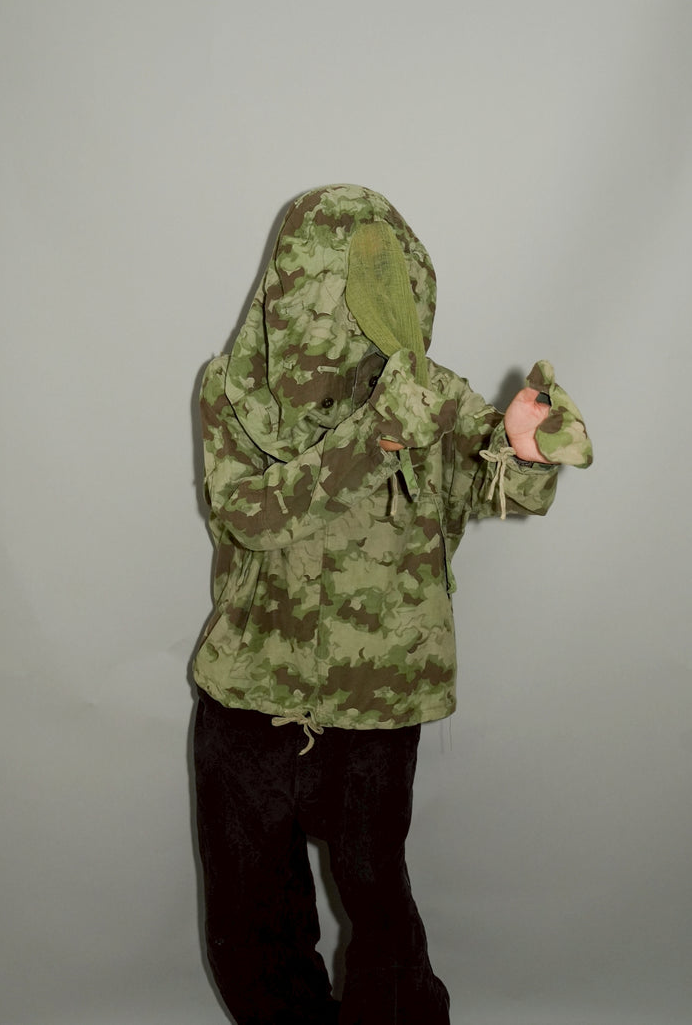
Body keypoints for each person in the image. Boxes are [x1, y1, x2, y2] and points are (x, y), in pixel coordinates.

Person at [190, 185, 592, 1025]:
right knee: (252, 926)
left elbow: (488, 480)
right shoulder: (228, 392)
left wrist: (526, 450)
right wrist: (382, 432)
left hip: (376, 704)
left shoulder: (425, 392)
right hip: (250, 698)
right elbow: (249, 516)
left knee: (382, 921)